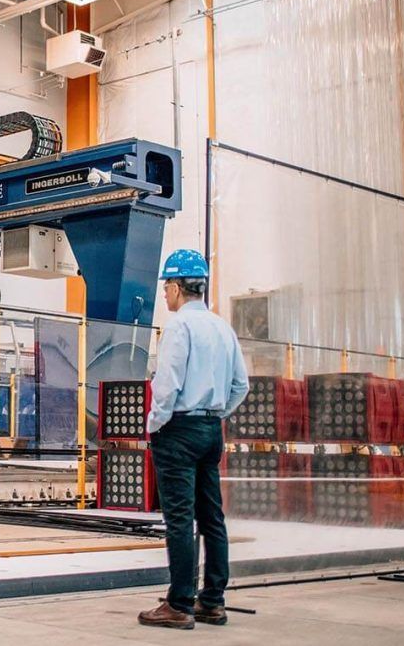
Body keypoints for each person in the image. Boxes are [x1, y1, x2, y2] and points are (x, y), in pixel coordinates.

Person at [138, 249, 248, 631]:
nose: (164, 295)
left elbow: (166, 386)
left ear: (174, 286)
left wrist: (155, 424)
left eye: (165, 288)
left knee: (180, 519)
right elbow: (241, 385)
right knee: (212, 517)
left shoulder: (178, 328)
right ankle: (213, 601)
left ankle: (179, 603)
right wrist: (217, 413)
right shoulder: (222, 327)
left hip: (178, 430)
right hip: (210, 429)